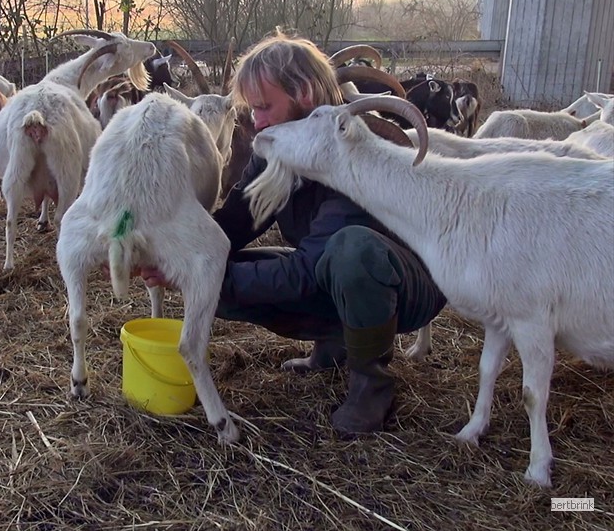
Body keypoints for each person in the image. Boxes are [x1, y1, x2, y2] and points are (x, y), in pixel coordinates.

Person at [142, 31, 446, 436]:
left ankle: (372, 384)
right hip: (328, 270)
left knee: (352, 251)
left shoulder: (354, 147)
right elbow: (233, 223)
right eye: (252, 109)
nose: (256, 121)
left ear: (303, 93)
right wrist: (176, 254)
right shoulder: (279, 149)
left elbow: (308, 270)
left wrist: (197, 273)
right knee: (216, 268)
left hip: (406, 287)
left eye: (265, 106)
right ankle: (335, 343)